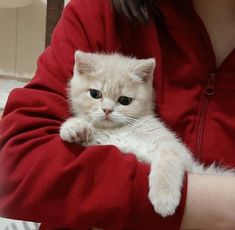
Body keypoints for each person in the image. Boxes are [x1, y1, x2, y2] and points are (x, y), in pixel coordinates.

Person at [0, 0, 234, 229]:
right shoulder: (98, 11)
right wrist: (211, 204)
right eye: (96, 96)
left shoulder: (143, 120)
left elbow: (172, 154)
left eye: (123, 100)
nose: (107, 109)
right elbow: (15, 165)